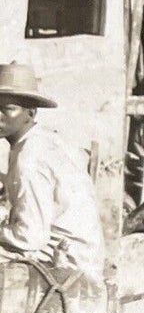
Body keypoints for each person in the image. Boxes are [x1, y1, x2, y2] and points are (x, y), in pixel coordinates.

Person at [0, 63, 105, 281]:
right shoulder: (42, 140)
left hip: (66, 260)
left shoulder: (29, 158)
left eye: (8, 109)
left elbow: (30, 237)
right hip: (83, 250)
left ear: (31, 111)